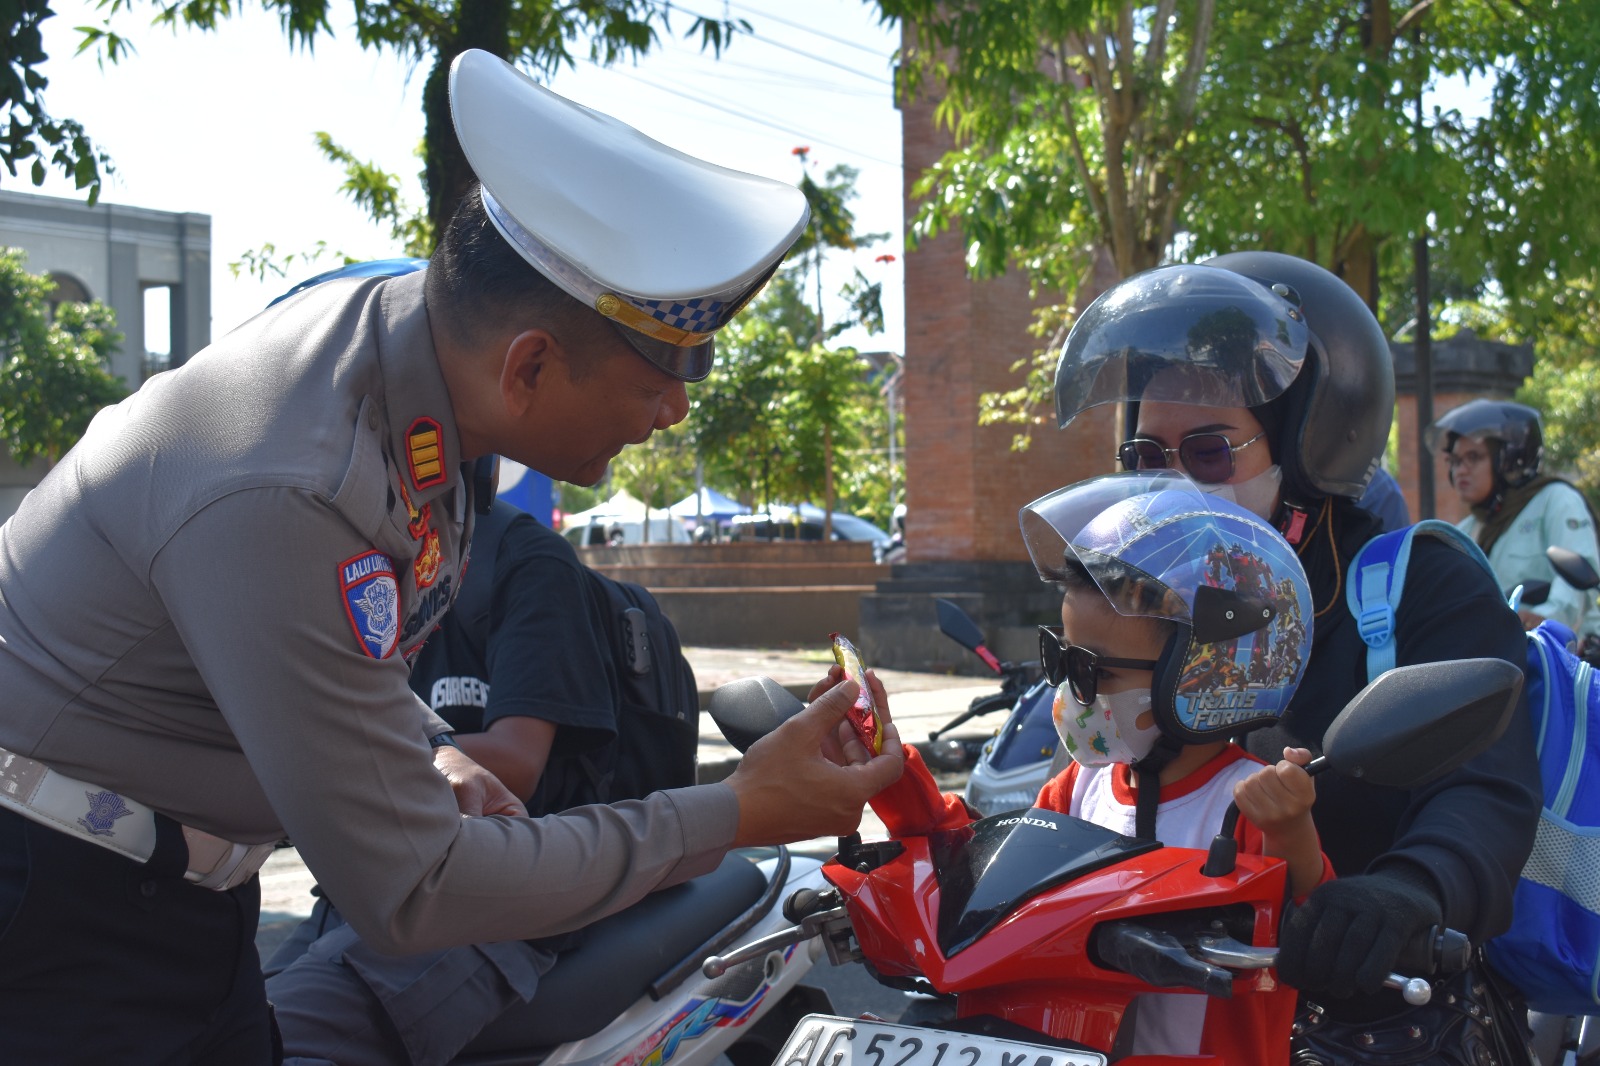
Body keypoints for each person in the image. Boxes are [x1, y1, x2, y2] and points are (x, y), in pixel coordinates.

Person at [0, 49, 902, 1063]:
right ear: (530, 366)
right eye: (662, 375)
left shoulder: (421, 376)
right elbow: (413, 889)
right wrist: (738, 809)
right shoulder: (293, 477)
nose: (673, 412)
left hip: (171, 895)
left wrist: (428, 744)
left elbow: (354, 649)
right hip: (53, 917)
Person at [1052, 253, 1541, 1045]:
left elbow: (1486, 789)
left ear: (1310, 443)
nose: (1169, 486)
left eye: (1208, 452)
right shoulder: (1140, 587)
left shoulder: (1421, 584)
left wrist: (1408, 891)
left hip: (1367, 1013)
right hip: (1154, 1007)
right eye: (1145, 458)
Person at [861, 473, 1329, 1056]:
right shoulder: (1077, 790)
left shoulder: (1248, 804)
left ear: (1204, 675)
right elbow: (986, 886)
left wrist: (1291, 832)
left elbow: (1317, 936)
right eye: (1060, 659)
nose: (1069, 690)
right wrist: (894, 774)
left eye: (1094, 671)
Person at [264, 496, 671, 1065]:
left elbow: (517, 762)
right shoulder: (377, 562)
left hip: (500, 901)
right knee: (228, 1028)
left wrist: (338, 765)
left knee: (279, 1042)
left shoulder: (527, 562)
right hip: (377, 884)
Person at [1428, 398, 1600, 634]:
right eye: (1455, 461)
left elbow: (1576, 586)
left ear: (1509, 460)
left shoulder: (1555, 500)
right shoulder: (1465, 532)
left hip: (1565, 650)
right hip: (1499, 651)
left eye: (1474, 457)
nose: (1461, 470)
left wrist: (1544, 620)